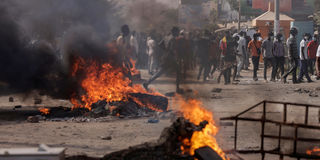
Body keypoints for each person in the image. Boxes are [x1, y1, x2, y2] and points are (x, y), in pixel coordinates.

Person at [143, 27, 181, 92]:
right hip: (170, 58)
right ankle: (177, 89)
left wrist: (165, 51)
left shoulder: (166, 37)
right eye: (177, 32)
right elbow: (172, 49)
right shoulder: (173, 39)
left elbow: (160, 45)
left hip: (165, 57)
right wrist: (174, 53)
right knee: (178, 70)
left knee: (160, 72)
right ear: (174, 32)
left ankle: (147, 82)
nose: (178, 33)